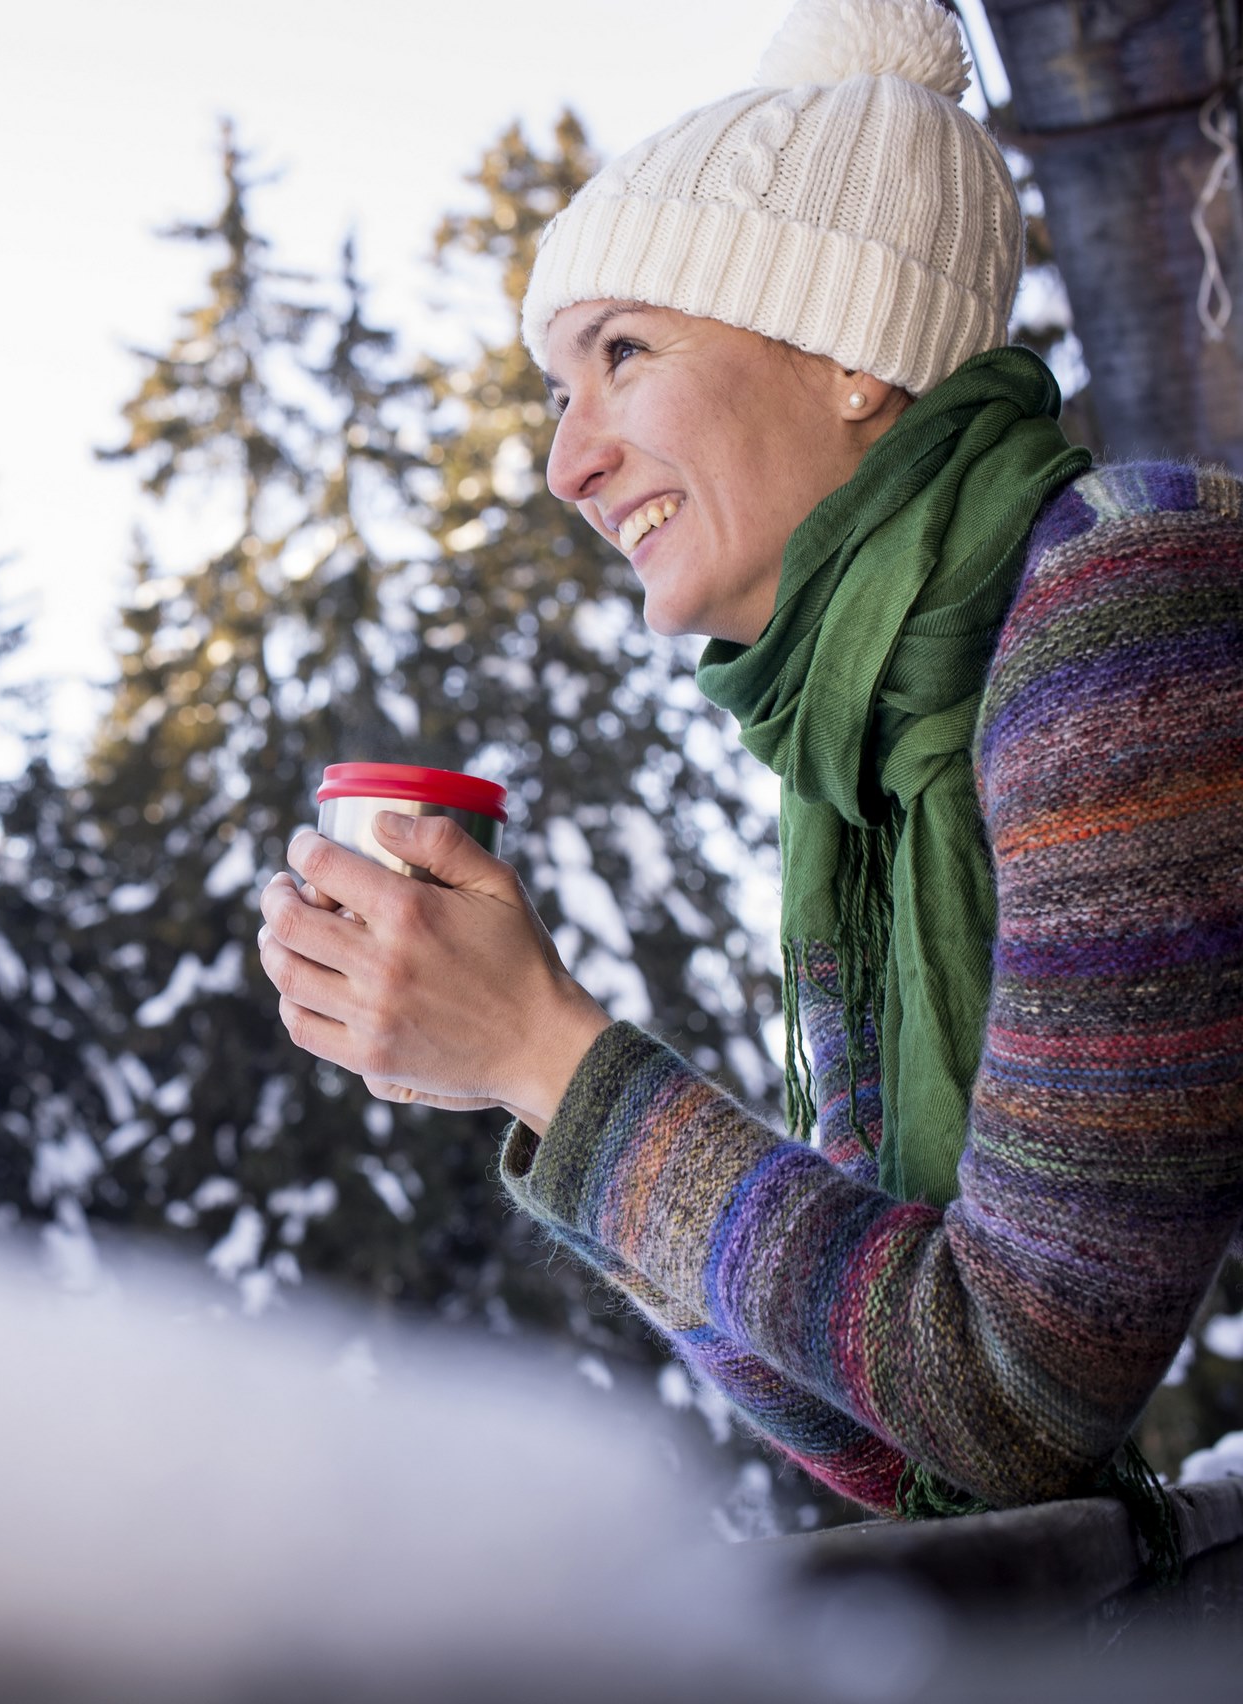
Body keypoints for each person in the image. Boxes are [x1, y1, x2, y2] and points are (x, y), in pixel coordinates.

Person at [257, 0, 1243, 1524]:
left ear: (852, 354)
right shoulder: (858, 764)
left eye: (623, 354)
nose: (564, 463)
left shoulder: (1130, 617)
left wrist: (549, 1054)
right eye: (558, 393)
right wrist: (529, 1091)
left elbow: (1018, 1396)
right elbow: (906, 1439)